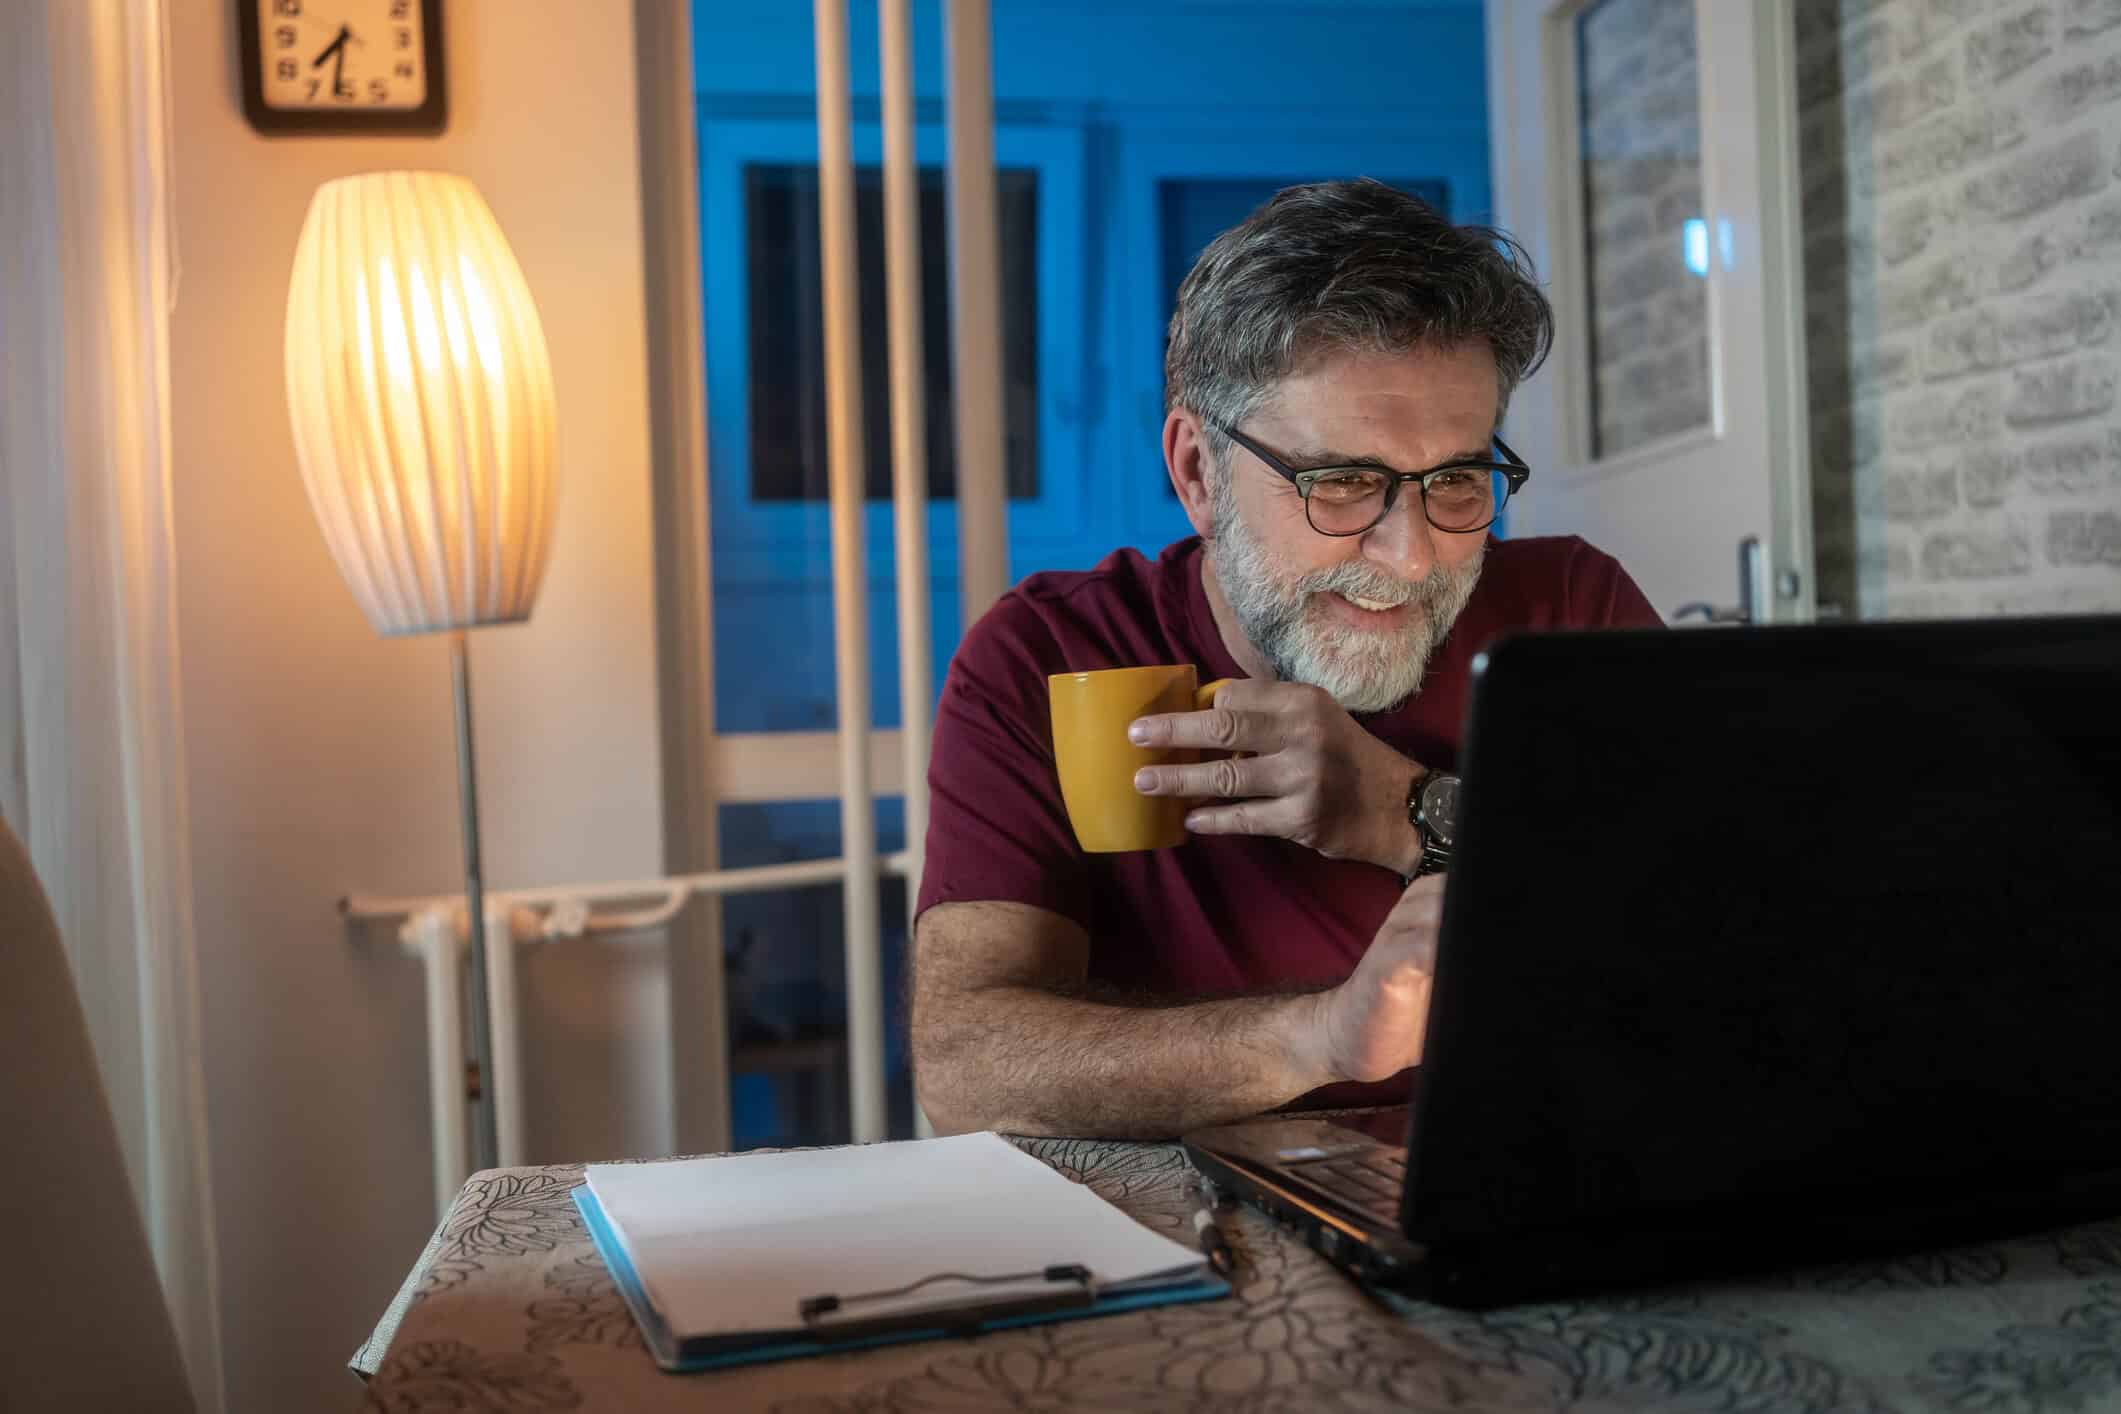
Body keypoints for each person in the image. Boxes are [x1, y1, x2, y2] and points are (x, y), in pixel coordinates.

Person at [910, 179, 1660, 1139]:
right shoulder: (1048, 654)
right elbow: (969, 1070)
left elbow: (1723, 943)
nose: (1414, 554)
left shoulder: (1568, 610)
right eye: (1343, 482)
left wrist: (1409, 815)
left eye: (1459, 481)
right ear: (1196, 471)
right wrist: (1319, 1038)